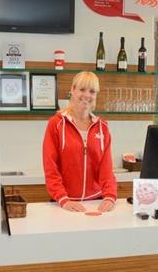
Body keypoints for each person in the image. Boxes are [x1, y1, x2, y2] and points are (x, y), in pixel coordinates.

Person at [42, 71, 117, 212]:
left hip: (95, 203)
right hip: (64, 203)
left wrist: (110, 196)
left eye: (92, 91)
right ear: (73, 90)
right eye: (82, 89)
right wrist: (63, 199)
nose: (87, 95)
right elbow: (51, 167)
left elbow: (106, 169)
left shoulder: (102, 127)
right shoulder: (56, 124)